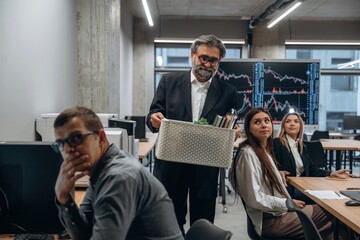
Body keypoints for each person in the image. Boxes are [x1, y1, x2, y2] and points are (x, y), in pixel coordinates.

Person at [146, 34, 240, 233]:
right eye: (203, 57)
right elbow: (153, 113)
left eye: (213, 60)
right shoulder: (168, 81)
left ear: (219, 62)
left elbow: (231, 123)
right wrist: (154, 119)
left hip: (205, 168)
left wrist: (234, 131)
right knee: (169, 221)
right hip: (171, 164)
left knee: (203, 223)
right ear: (193, 56)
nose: (206, 64)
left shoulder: (228, 92)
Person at [53, 106, 183, 240]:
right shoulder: (101, 170)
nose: (68, 149)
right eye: (61, 144)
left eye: (76, 138)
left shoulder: (118, 177)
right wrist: (64, 198)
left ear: (101, 138)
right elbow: (86, 233)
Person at [229, 108, 339, 239]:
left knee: (333, 232)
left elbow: (312, 169)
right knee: (336, 213)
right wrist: (287, 203)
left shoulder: (263, 152)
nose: (264, 125)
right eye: (257, 122)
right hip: (272, 221)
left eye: (267, 121)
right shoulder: (248, 154)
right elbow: (254, 198)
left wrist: (273, 174)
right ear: (249, 129)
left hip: (279, 212)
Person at [273, 112, 353, 202]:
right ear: (284, 126)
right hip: (287, 190)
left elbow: (312, 170)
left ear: (300, 127)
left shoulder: (301, 146)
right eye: (288, 121)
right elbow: (268, 165)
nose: (292, 124)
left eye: (296, 121)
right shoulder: (277, 143)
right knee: (327, 203)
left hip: (301, 187)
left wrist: (332, 173)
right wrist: (276, 172)